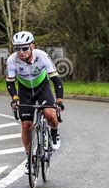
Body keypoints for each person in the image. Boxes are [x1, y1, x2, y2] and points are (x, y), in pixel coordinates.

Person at [6, 31, 65, 170]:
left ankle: (54, 131)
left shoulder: (42, 56)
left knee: (50, 114)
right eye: (17, 48)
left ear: (32, 46)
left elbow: (56, 79)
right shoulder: (11, 60)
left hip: (42, 87)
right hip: (25, 90)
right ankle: (29, 157)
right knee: (26, 125)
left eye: (24, 48)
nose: (21, 52)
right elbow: (10, 82)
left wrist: (59, 100)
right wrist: (15, 98)